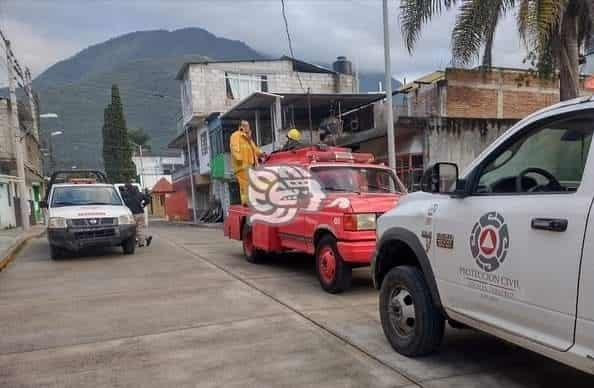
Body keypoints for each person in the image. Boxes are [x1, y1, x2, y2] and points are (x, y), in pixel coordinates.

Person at [230, 120, 262, 206]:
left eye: (248, 126)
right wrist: (239, 159)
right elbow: (234, 148)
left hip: (250, 165)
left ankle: (251, 201)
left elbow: (255, 149)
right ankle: (246, 202)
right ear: (242, 126)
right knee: (245, 184)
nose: (248, 127)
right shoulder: (236, 135)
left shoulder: (248, 138)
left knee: (251, 184)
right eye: (247, 126)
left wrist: (261, 154)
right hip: (242, 166)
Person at [122, 182, 152, 247]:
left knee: (136, 229)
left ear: (127, 188)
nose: (124, 189)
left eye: (125, 188)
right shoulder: (139, 194)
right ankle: (146, 238)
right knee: (139, 228)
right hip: (141, 213)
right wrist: (143, 204)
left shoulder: (126, 194)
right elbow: (148, 199)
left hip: (133, 214)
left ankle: (141, 243)